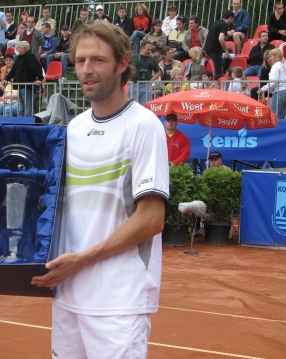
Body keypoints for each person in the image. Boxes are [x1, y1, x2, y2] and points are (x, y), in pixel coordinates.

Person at [31, 21, 168, 358]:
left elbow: (151, 219)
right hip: (67, 294)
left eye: (98, 60)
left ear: (123, 63)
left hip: (118, 301)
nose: (87, 70)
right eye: (80, 61)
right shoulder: (73, 128)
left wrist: (83, 260)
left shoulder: (144, 125)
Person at [3, 41, 44, 117]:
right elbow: (14, 69)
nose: (17, 49)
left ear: (23, 49)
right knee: (21, 107)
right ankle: (21, 121)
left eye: (19, 47)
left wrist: (39, 78)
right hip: (20, 85)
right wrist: (7, 78)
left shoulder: (29, 56)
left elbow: (37, 67)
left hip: (27, 86)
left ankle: (29, 122)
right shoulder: (19, 57)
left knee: (28, 107)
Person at [260, 48, 286, 119]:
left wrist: (263, 89)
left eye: (271, 56)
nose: (270, 59)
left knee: (273, 116)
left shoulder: (275, 66)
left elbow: (273, 82)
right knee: (282, 116)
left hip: (279, 93)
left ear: (276, 56)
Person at [205, 11, 234, 81]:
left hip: (207, 48)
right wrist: (226, 51)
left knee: (230, 50)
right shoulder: (225, 25)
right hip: (215, 50)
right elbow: (221, 39)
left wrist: (229, 33)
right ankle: (216, 86)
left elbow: (217, 33)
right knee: (218, 71)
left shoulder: (216, 23)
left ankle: (225, 68)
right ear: (230, 18)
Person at [129, 41, 161, 105]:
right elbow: (124, 68)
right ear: (142, 48)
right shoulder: (133, 57)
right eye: (148, 49)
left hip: (146, 85)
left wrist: (152, 80)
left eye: (150, 50)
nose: (149, 51)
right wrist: (127, 80)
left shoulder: (151, 59)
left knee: (146, 107)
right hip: (134, 84)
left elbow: (159, 71)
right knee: (131, 106)